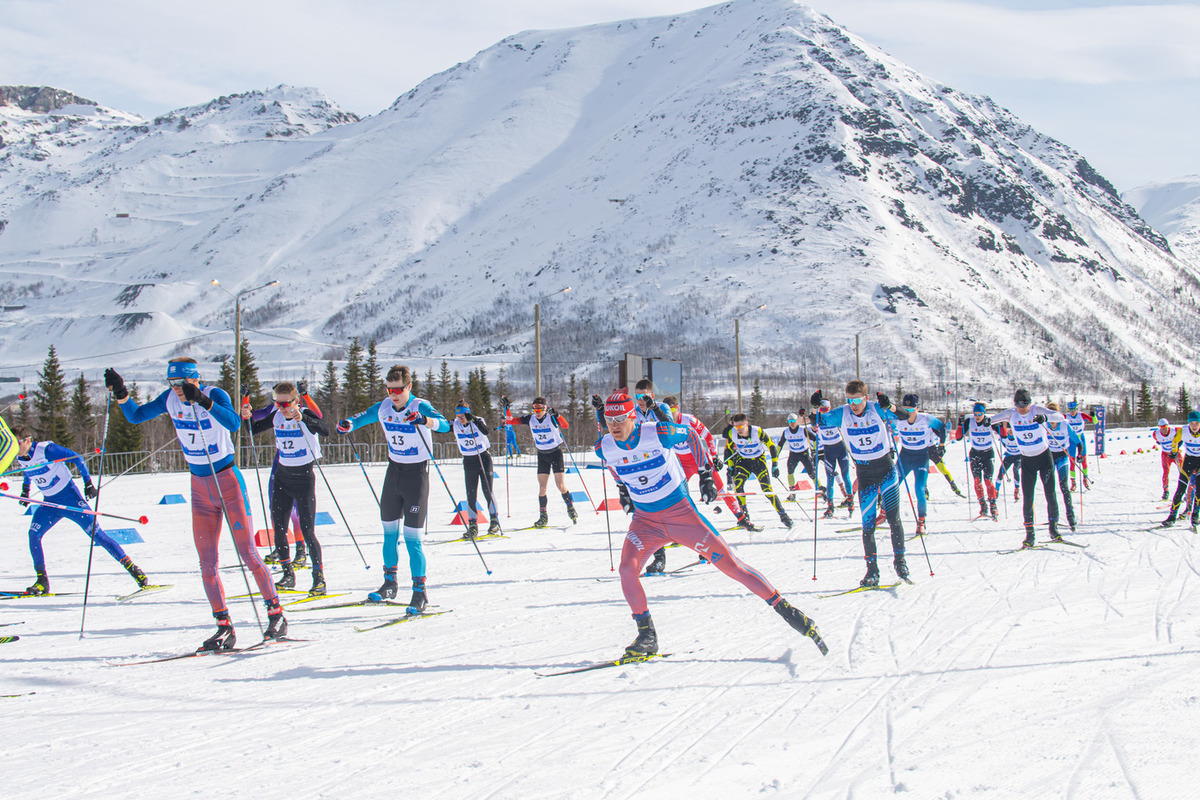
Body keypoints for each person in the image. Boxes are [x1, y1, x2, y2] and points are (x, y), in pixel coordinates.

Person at [595, 392, 827, 659]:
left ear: (633, 416)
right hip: (645, 522)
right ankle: (647, 635)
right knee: (627, 570)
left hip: (681, 516)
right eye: (610, 419)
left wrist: (706, 472)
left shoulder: (657, 432)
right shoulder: (604, 446)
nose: (614, 425)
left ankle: (788, 611)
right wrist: (622, 488)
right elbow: (613, 465)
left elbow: (692, 436)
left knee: (731, 565)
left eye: (621, 418)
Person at [106, 358, 287, 650]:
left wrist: (202, 400)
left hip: (227, 482)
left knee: (249, 555)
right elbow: (136, 416)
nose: (177, 389)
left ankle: (276, 614)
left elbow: (233, 423)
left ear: (195, 379)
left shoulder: (215, 394)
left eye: (182, 384)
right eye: (172, 384)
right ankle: (224, 626)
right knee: (206, 563)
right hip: (200, 487)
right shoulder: (169, 399)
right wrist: (121, 393)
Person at [337, 365, 448, 611]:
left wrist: (424, 421)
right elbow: (359, 418)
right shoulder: (384, 407)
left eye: (398, 389)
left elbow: (445, 425)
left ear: (409, 387)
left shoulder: (420, 406)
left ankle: (420, 592)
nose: (394, 394)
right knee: (389, 534)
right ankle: (389, 583)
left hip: (416, 475)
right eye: (389, 389)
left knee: (412, 539)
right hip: (393, 473)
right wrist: (347, 424)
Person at [12, 426, 150, 595]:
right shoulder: (20, 455)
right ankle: (42, 581)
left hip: (70, 499)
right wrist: (25, 490)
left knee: (97, 535)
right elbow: (28, 470)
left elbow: (77, 458)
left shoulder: (47, 450)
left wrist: (88, 483)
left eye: (15, 443)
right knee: (34, 534)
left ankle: (134, 571)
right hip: (49, 504)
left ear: (27, 440)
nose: (13, 447)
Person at [812, 382, 907, 586]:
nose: (853, 404)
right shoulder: (843, 413)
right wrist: (815, 407)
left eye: (857, 400)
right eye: (849, 400)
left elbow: (904, 416)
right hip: (865, 473)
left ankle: (900, 562)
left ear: (865, 397)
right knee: (867, 525)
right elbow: (819, 421)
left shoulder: (876, 408)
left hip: (886, 468)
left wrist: (889, 406)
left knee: (893, 518)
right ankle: (872, 571)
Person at [242, 382, 329, 595]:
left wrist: (305, 419)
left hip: (304, 479)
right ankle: (287, 573)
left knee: (308, 531)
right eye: (278, 403)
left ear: (295, 401)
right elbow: (252, 430)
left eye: (286, 403)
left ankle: (319, 579)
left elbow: (325, 430)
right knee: (279, 530)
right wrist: (245, 415)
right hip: (282, 478)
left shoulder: (305, 413)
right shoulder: (277, 416)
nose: (282, 407)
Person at [991, 389, 1067, 548]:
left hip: (1044, 458)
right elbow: (992, 419)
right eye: (1018, 403)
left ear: (1029, 402)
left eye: (1025, 403)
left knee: (1050, 493)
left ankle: (1053, 529)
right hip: (1027, 460)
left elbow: (1060, 417)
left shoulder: (1036, 410)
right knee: (1028, 497)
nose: (1021, 407)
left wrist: (1045, 417)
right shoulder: (1012, 414)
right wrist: (985, 421)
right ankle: (1030, 534)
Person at [509, 397, 575, 528]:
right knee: (542, 488)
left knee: (560, 485)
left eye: (540, 409)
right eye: (535, 409)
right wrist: (507, 409)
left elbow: (565, 425)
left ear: (545, 408)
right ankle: (543, 516)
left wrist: (557, 415)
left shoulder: (551, 418)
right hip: (542, 455)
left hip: (555, 453)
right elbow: (510, 421)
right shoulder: (531, 419)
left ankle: (570, 507)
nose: (537, 412)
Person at [724, 414, 792, 529]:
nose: (738, 430)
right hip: (743, 461)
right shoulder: (732, 433)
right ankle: (744, 517)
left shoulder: (757, 432)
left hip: (758, 461)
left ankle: (783, 515)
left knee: (767, 489)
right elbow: (729, 449)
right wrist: (730, 466)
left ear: (746, 424)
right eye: (736, 427)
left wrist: (775, 464)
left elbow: (771, 446)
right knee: (738, 486)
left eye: (740, 426)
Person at [893, 394, 945, 536]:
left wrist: (942, 445)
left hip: (921, 457)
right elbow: (886, 429)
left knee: (919, 489)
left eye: (911, 409)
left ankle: (921, 521)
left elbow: (942, 427)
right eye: (905, 409)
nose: (908, 412)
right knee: (892, 486)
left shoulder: (926, 419)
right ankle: (885, 513)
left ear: (917, 408)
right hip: (904, 457)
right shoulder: (898, 419)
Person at [451, 399, 501, 539]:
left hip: (483, 458)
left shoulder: (478, 420)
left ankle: (494, 521)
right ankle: (473, 526)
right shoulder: (455, 423)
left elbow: (485, 431)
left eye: (462, 417)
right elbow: (441, 428)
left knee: (487, 491)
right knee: (471, 494)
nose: (460, 420)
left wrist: (472, 419)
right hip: (469, 460)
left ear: (468, 414)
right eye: (458, 417)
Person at [955, 402, 999, 520]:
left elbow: (1003, 435)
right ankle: (983, 505)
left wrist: (999, 425)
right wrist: (960, 425)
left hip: (988, 453)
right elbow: (958, 437)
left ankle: (993, 505)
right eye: (975, 413)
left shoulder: (989, 421)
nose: (977, 416)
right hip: (975, 454)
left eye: (980, 413)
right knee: (977, 480)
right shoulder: (970, 421)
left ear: (984, 413)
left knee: (988, 481)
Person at [1044, 403, 1083, 532]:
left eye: (1055, 415)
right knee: (1049, 487)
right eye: (1050, 415)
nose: (1053, 419)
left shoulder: (1065, 425)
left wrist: (1080, 454)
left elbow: (1078, 442)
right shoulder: (1043, 425)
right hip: (1049, 457)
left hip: (1062, 457)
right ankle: (1053, 517)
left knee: (1064, 486)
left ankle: (1070, 516)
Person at [1161, 411, 1200, 531]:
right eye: (1191, 423)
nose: (1194, 426)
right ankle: (1172, 516)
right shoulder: (1183, 431)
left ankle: (1195, 515)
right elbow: (1175, 440)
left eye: (1197, 423)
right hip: (1188, 461)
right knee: (1180, 489)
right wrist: (1174, 450)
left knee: (1199, 489)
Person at [814, 400, 853, 518]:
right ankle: (830, 507)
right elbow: (807, 422)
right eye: (822, 409)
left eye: (826, 408)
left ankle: (850, 502)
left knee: (845, 476)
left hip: (840, 449)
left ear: (830, 408)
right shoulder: (817, 419)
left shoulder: (835, 418)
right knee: (830, 479)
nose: (824, 411)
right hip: (828, 451)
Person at [777, 410, 818, 494]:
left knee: (811, 473)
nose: (792, 423)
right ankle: (792, 493)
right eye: (790, 421)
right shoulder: (786, 432)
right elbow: (780, 444)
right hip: (793, 454)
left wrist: (814, 450)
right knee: (790, 472)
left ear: (797, 421)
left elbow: (815, 438)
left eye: (793, 421)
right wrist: (776, 455)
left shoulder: (802, 430)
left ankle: (819, 490)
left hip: (804, 453)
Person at [1063, 401, 1092, 491]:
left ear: (1077, 409)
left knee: (1084, 461)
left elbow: (1094, 421)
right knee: (1072, 462)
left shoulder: (1081, 415)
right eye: (1070, 410)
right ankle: (1073, 482)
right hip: (1071, 440)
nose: (1072, 412)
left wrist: (1093, 416)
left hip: (1081, 438)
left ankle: (1085, 479)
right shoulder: (1066, 417)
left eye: (1074, 410)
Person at [1152, 418, 1182, 501]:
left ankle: (1187, 492)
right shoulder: (1156, 434)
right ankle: (1166, 491)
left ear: (1168, 426)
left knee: (1184, 471)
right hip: (1166, 455)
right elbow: (1157, 440)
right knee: (1166, 471)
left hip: (1176, 453)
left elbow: (1183, 437)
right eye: (1161, 427)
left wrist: (1176, 449)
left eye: (1165, 427)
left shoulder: (1174, 430)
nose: (1164, 429)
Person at [995, 422, 1023, 502]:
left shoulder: (1018, 437)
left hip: (1018, 456)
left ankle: (1017, 490)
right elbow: (1004, 445)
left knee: (1015, 469)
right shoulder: (1004, 437)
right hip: (1009, 456)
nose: (1010, 431)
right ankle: (996, 491)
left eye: (1012, 429)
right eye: (1009, 429)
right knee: (1001, 472)